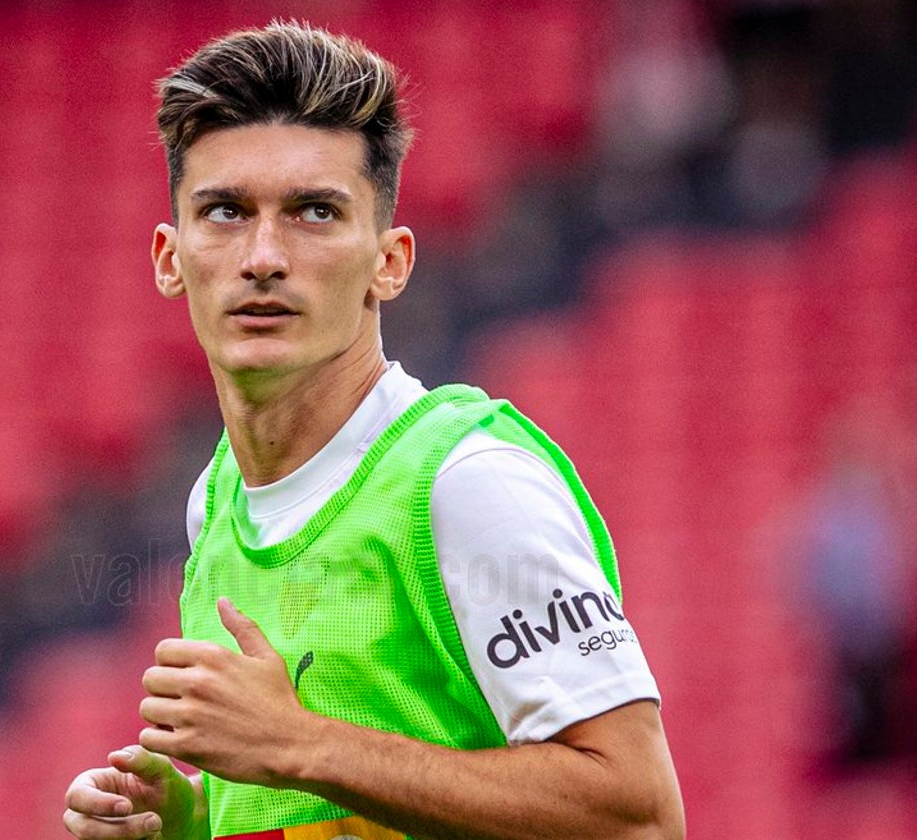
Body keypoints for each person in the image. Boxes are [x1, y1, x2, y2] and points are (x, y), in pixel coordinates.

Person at [64, 21, 684, 840]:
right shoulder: (214, 501)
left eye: (315, 212)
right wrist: (185, 824)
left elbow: (638, 816)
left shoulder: (466, 484)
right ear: (169, 258)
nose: (263, 256)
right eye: (224, 212)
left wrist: (298, 745)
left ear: (389, 261)